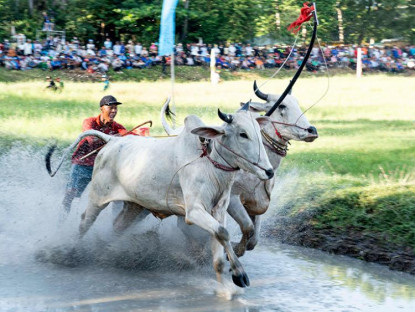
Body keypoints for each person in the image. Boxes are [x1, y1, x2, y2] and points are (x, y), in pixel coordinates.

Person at [61, 95, 128, 215]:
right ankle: (60, 224)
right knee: (70, 195)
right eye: (110, 108)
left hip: (102, 167)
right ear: (102, 109)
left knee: (118, 196)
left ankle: (115, 228)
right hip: (82, 164)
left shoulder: (117, 127)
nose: (114, 111)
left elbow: (129, 137)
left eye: (115, 108)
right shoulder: (89, 122)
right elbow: (91, 138)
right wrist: (114, 138)